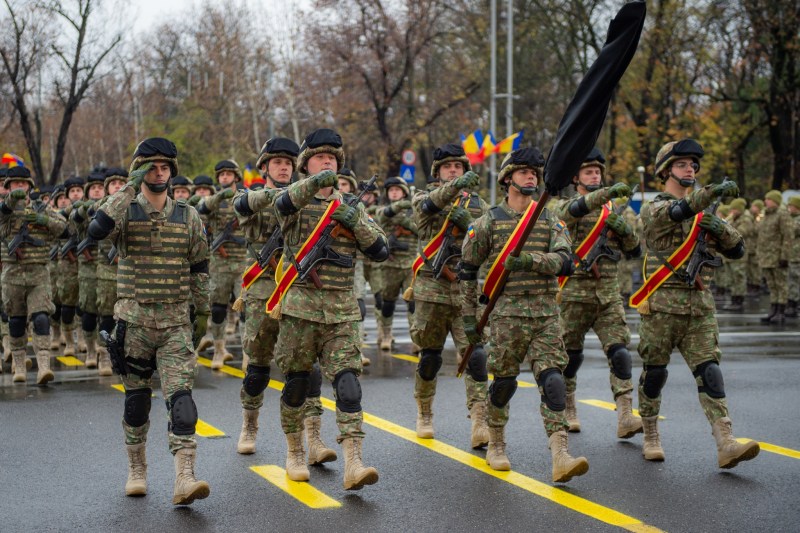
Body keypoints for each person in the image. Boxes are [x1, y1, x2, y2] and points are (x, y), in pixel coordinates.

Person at [87, 137, 211, 504]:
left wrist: (202, 311)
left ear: (172, 171)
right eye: (151, 166)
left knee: (182, 401)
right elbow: (97, 230)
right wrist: (128, 185)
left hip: (175, 324)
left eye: (165, 167)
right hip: (134, 325)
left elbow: (200, 267)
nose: (159, 173)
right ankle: (137, 469)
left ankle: (185, 476)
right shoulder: (124, 211)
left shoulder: (187, 215)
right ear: (140, 170)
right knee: (137, 402)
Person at [460, 147, 589, 482]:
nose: (531, 176)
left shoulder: (549, 219)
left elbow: (566, 261)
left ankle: (560, 454)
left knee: (554, 381)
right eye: (524, 172)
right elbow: (467, 271)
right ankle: (497, 444)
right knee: (504, 383)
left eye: (535, 172)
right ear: (507, 179)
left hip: (546, 314)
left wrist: (532, 261)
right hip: (505, 316)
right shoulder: (487, 223)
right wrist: (468, 319)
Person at [630, 138, 759, 468]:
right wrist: (712, 192)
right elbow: (677, 211)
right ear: (666, 171)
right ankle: (650, 435)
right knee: (655, 374)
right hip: (661, 307)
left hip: (699, 307)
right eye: (683, 164)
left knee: (710, 372)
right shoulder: (654, 207)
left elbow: (738, 250)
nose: (691, 169)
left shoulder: (705, 210)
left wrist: (720, 228)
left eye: (693, 165)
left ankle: (725, 442)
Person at [271, 128, 387, 489]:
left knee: (349, 384)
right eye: (321, 158)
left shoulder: (352, 206)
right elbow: (282, 204)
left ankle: (354, 461)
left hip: (341, 311)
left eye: (333, 159)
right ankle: (294, 452)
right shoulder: (295, 200)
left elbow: (380, 249)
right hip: (300, 310)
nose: (328, 163)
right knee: (297, 383)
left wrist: (355, 222)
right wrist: (313, 183)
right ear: (306, 164)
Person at [552, 148, 643, 438]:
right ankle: (568, 406)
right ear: (576, 177)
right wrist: (603, 196)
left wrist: (624, 230)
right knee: (571, 356)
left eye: (598, 172)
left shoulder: (616, 210)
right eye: (589, 172)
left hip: (608, 294)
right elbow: (569, 214)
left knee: (620, 352)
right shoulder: (564, 205)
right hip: (573, 294)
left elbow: (635, 249)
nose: (595, 176)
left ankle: (626, 414)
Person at [408, 143, 490, 448]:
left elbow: (486, 239)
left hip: (466, 291)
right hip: (432, 290)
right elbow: (426, 209)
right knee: (430, 357)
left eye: (458, 167)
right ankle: (425, 412)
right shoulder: (424, 198)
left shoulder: (478, 204)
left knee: (476, 355)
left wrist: (471, 226)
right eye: (447, 168)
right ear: (437, 173)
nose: (453, 171)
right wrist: (454, 191)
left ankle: (480, 418)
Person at [0, 166, 68, 384]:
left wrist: (41, 219)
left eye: (23, 184)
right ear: (7, 187)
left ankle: (43, 367)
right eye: (14, 184)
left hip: (39, 274)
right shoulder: (4, 212)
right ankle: (19, 366)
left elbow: (64, 228)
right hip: (12, 275)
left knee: (41, 318)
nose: (19, 188)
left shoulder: (41, 208)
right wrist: (10, 204)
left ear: (29, 186)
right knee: (16, 322)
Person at [196, 160, 248, 368]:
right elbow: (202, 211)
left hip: (243, 261)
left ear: (236, 177)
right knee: (217, 309)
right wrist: (218, 196)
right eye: (221, 175)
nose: (225, 177)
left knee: (246, 308)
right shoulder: (213, 201)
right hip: (219, 264)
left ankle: (247, 353)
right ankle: (219, 350)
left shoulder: (245, 198)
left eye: (229, 174)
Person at [374, 176, 417, 351]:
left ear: (404, 193)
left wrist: (404, 221)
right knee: (387, 303)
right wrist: (397, 209)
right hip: (389, 266)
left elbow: (420, 229)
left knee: (413, 303)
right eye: (391, 190)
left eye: (397, 190)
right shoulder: (382, 209)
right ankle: (386, 335)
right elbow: (382, 217)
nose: (394, 192)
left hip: (409, 265)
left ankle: (416, 338)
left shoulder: (412, 211)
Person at [757, 190, 794, 324]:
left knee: (781, 285)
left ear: (776, 201)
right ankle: (773, 309)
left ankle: (781, 311)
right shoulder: (766, 215)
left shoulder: (782, 214)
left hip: (778, 256)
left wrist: (785, 256)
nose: (765, 201)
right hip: (766, 256)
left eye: (768, 199)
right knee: (772, 285)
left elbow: (788, 236)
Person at [723, 198, 755, 312]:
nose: (732, 211)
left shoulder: (745, 220)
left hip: (740, 253)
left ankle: (739, 300)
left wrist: (726, 226)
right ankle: (733, 299)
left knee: (739, 276)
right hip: (731, 253)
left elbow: (741, 233)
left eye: (735, 209)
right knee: (732, 277)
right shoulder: (733, 219)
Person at [786, 196, 800, 317]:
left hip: (797, 255)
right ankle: (791, 303)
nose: (788, 208)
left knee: (794, 280)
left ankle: (794, 304)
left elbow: (792, 231)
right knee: (791, 280)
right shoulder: (791, 218)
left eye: (791, 206)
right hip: (791, 254)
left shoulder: (797, 220)